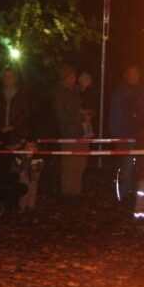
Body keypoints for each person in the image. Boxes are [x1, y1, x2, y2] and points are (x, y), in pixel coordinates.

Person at [108, 65, 144, 199]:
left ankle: (138, 196)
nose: (134, 77)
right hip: (125, 136)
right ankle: (124, 195)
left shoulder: (143, 92)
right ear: (125, 76)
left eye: (136, 74)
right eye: (131, 74)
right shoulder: (120, 93)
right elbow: (115, 116)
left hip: (141, 136)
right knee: (126, 167)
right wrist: (117, 139)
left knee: (141, 168)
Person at [52, 64, 87, 197]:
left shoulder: (76, 91)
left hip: (81, 132)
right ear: (64, 78)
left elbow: (81, 106)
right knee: (68, 164)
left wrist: (86, 113)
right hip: (68, 132)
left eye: (74, 76)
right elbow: (62, 115)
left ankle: (76, 190)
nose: (73, 79)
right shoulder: (58, 93)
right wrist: (79, 116)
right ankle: (67, 191)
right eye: (70, 77)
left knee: (80, 164)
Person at [16, 139, 44, 212]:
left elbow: (41, 167)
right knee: (24, 192)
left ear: (35, 149)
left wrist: (37, 169)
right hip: (23, 177)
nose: (28, 148)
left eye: (31, 146)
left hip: (34, 178)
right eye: (27, 146)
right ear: (24, 148)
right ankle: (22, 207)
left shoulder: (38, 157)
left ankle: (31, 207)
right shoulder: (21, 156)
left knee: (33, 192)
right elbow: (15, 166)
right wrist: (19, 172)